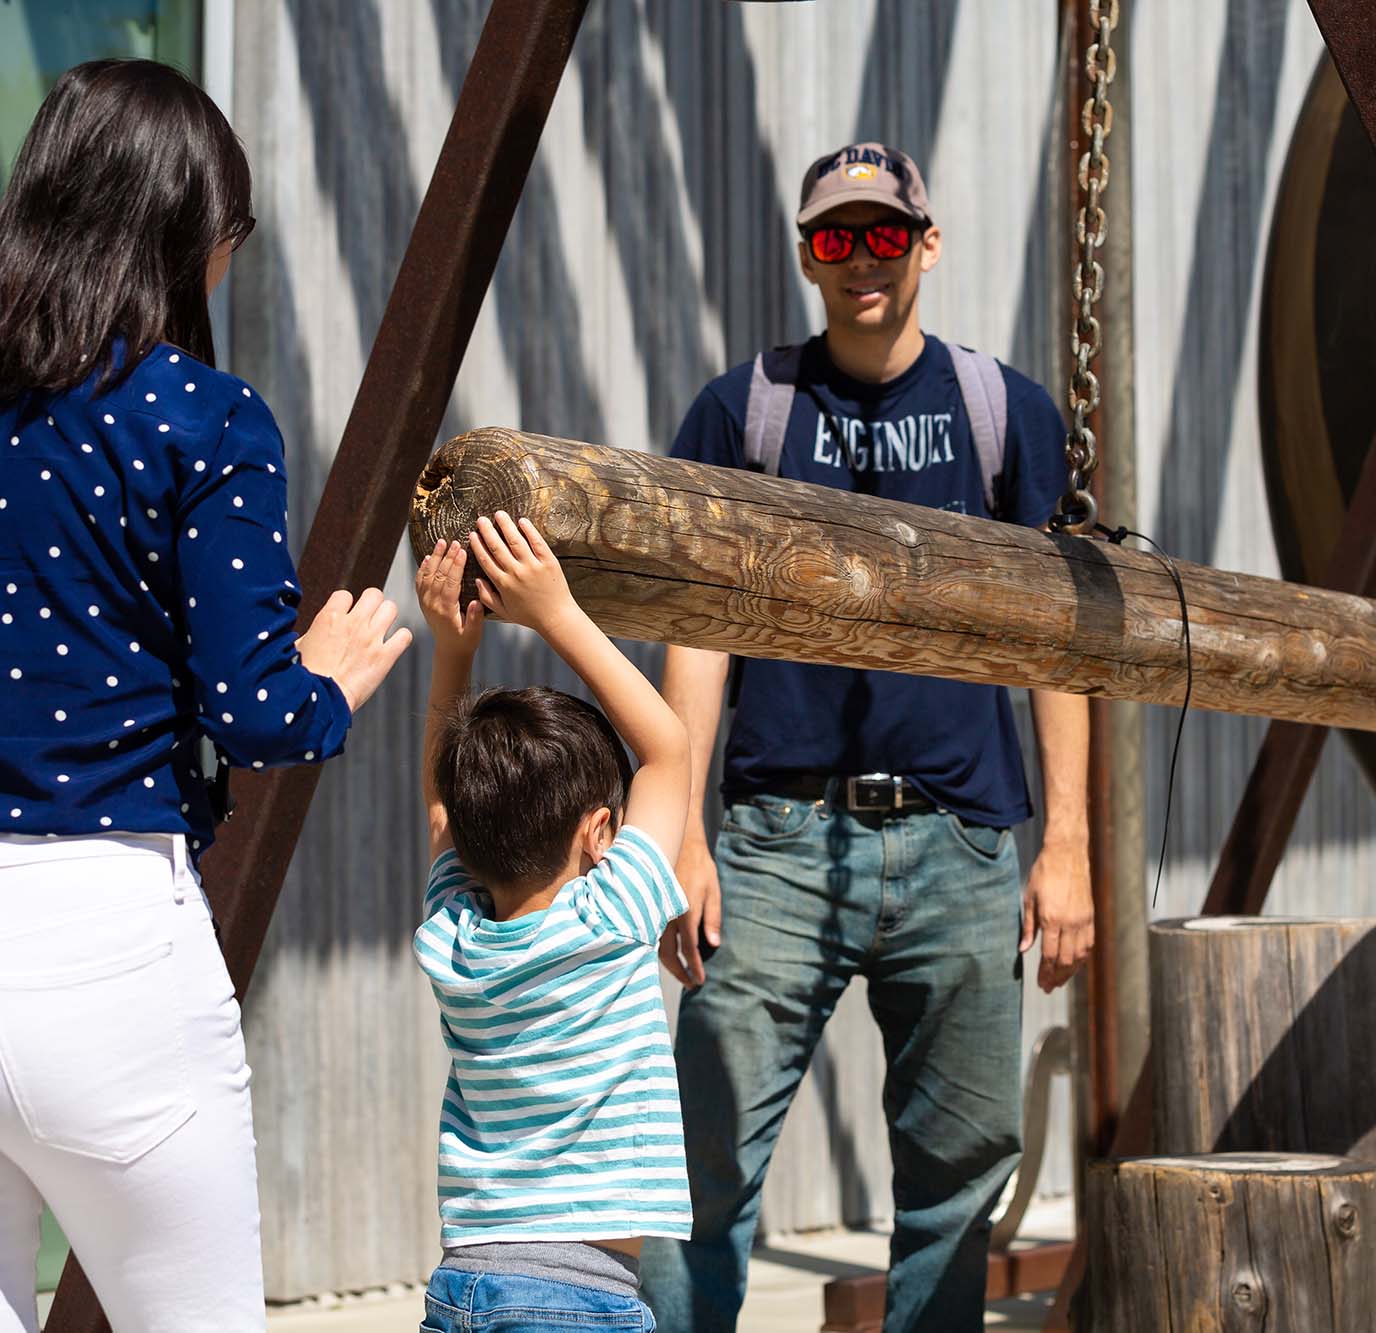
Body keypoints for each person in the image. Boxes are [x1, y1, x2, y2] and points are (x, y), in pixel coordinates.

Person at [642, 141, 1094, 1332]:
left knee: (956, 1183)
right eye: (834, 238)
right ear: (806, 255)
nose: (860, 260)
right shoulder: (742, 412)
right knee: (703, 1171)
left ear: (925, 245)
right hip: (776, 844)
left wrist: (1067, 848)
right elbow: (695, 633)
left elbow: (1060, 647)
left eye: (882, 234)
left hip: (960, 845)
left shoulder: (1003, 414)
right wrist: (679, 831)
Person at [0, 60, 411, 1330]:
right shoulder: (204, 417)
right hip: (110, 935)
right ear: (189, 235)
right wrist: (331, 680)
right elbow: (255, 711)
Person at [412, 513, 693, 1333]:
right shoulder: (611, 917)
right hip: (576, 1297)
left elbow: (442, 810)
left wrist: (454, 650)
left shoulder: (454, 937)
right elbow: (670, 750)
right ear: (600, 833)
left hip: (463, 1282)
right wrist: (557, 612)